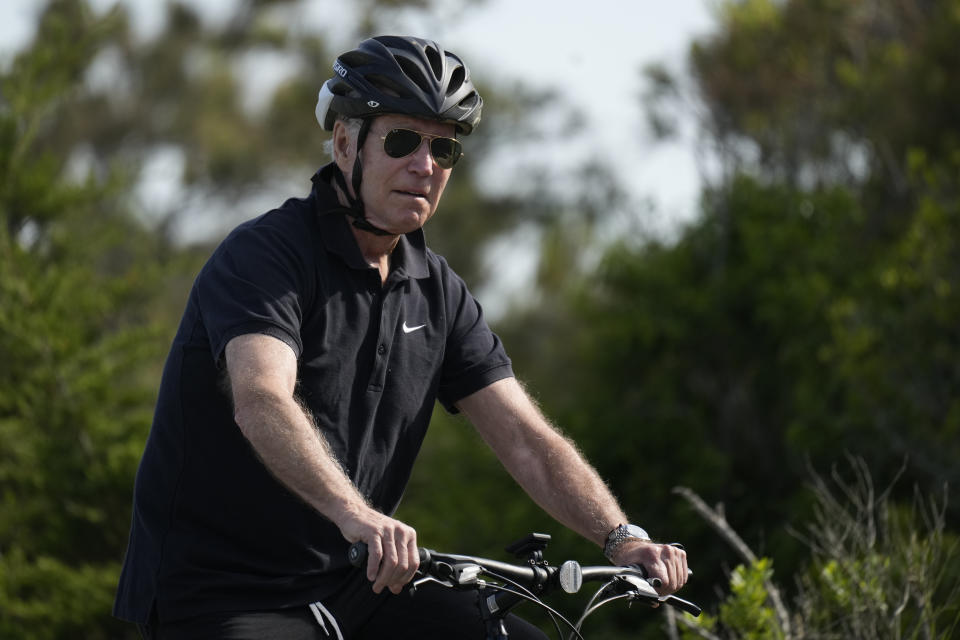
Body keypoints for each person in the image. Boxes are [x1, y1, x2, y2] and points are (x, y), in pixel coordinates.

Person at [113, 35, 688, 640]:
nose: (425, 165)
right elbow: (262, 400)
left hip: (358, 587)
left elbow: (525, 438)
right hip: (223, 596)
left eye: (444, 148)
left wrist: (621, 537)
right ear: (343, 143)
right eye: (403, 141)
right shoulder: (266, 257)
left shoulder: (437, 291)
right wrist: (357, 515)